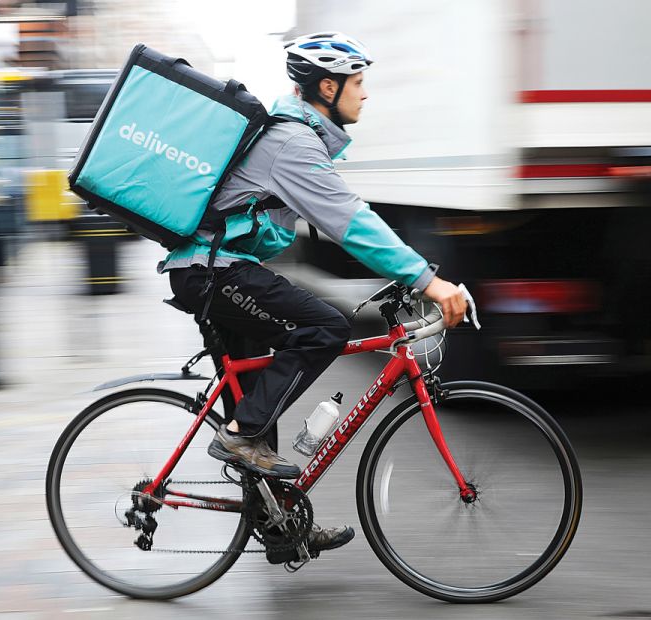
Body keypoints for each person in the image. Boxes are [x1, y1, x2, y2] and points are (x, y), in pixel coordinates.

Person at [161, 32, 468, 557]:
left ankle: (280, 527)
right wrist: (428, 281)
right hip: (214, 272)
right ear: (328, 86)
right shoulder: (292, 143)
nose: (365, 94)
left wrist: (400, 273)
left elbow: (339, 219)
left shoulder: (298, 138)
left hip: (215, 269)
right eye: (358, 82)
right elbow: (351, 221)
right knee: (325, 327)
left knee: (261, 392)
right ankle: (239, 437)